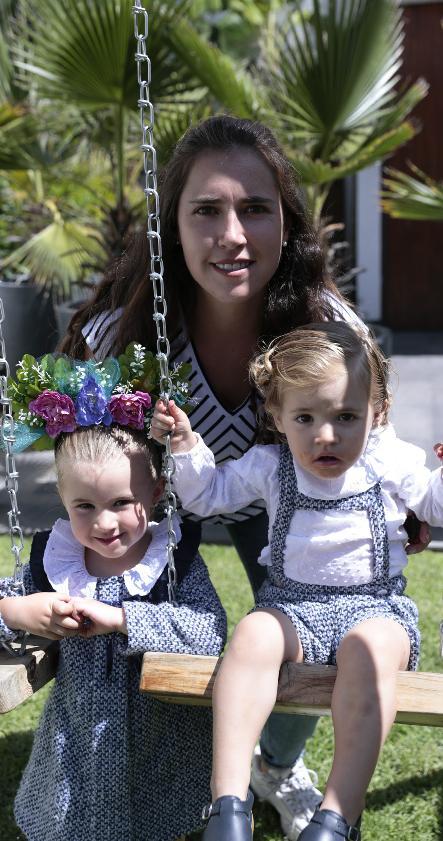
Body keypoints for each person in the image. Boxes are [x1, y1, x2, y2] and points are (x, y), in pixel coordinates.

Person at [60, 115, 428, 839]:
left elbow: (376, 448)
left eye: (255, 208)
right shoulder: (124, 337)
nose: (232, 234)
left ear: (286, 223)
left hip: (287, 497)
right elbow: (90, 463)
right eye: (207, 210)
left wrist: (407, 510)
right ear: (173, 227)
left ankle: (275, 764)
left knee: (320, 620)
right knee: (149, 616)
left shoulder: (329, 330)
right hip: (165, 500)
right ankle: (152, 772)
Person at [151, 320, 443, 841]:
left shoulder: (388, 459)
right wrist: (184, 446)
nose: (325, 435)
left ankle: (336, 816)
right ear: (277, 416)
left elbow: (433, 504)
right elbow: (208, 496)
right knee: (252, 634)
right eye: (305, 418)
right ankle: (228, 805)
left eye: (346, 416)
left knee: (371, 647)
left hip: (376, 610)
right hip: (292, 607)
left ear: (377, 413)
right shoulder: (270, 465)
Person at [0, 349, 227, 841]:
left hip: (162, 738)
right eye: (84, 506)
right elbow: (5, 608)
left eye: (121, 502)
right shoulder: (56, 562)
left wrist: (122, 619)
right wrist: (17, 609)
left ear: (155, 493)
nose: (104, 523)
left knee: (156, 820)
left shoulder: (170, 561)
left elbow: (209, 632)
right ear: (63, 501)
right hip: (77, 736)